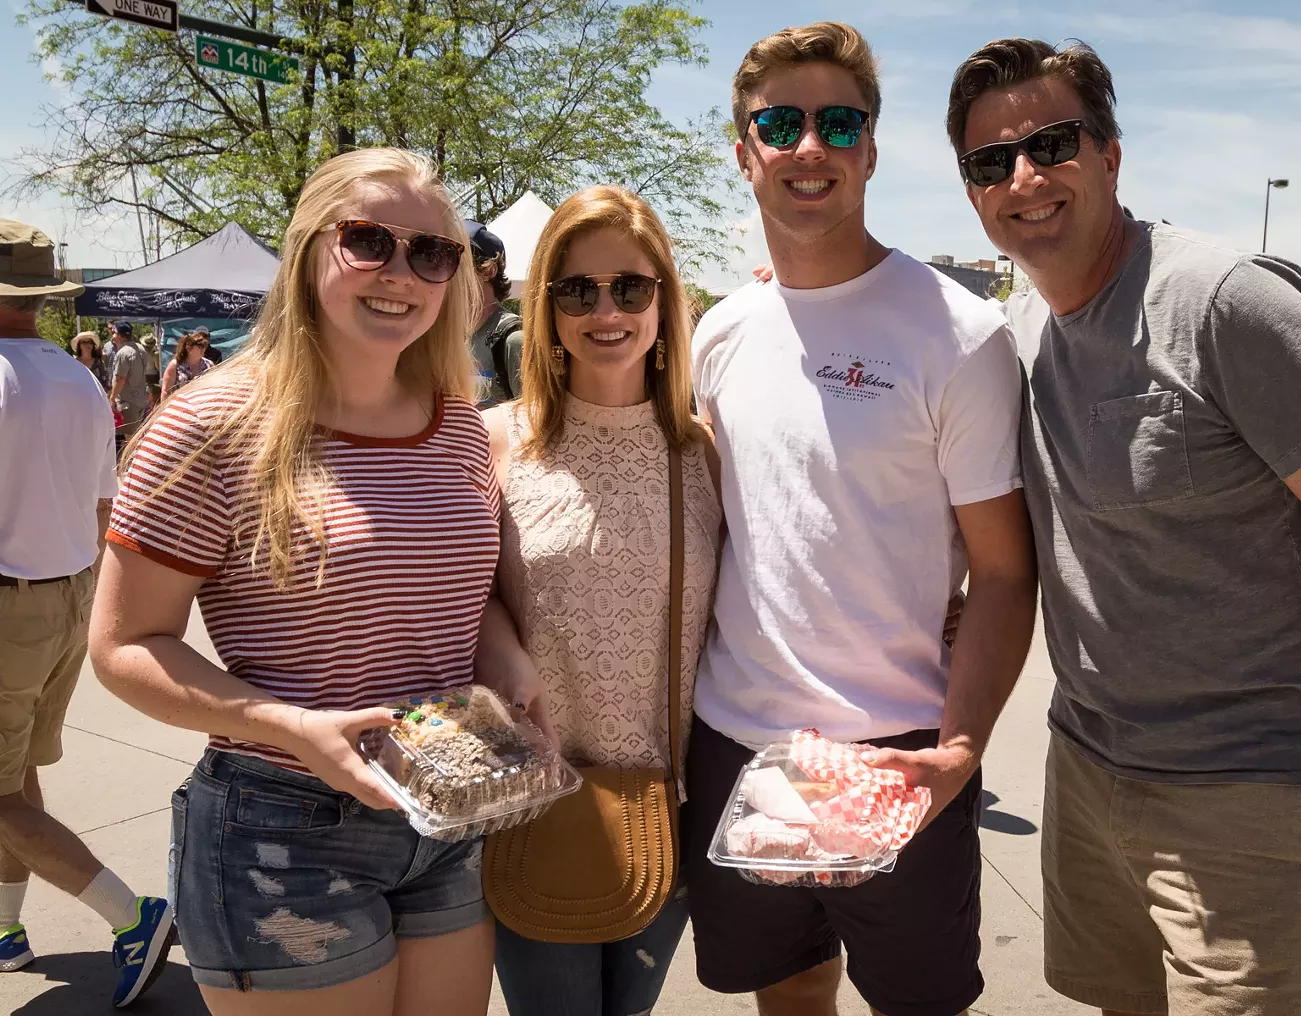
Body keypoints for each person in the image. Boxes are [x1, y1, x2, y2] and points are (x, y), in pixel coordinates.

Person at [950, 36, 1301, 1016]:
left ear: (1110, 155)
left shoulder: (1226, 302)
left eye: (1052, 142)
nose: (1024, 176)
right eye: (989, 161)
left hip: (1251, 790)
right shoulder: (1025, 328)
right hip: (1089, 767)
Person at [89, 148, 543, 1015]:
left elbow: (461, 586)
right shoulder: (212, 424)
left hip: (448, 809)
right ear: (307, 251)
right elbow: (121, 647)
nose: (401, 273)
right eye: (369, 240)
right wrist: (293, 727)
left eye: (432, 252)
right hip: (283, 826)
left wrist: (508, 660)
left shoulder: (455, 422)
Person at [683, 23, 1039, 1016]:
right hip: (739, 741)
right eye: (781, 123)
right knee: (790, 988)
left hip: (898, 748)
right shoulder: (721, 331)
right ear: (743, 148)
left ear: (871, 150)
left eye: (840, 122)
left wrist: (957, 752)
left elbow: (1006, 573)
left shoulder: (959, 333)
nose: (811, 145)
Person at [481, 185, 722, 1016]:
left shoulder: (706, 452)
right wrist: (502, 643)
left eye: (630, 287)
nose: (606, 309)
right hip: (530, 796)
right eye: (577, 290)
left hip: (670, 800)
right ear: (545, 307)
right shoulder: (498, 439)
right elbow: (455, 592)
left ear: (665, 301)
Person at [0, 219, 176, 1007]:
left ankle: (130, 914)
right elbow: (108, 501)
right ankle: (5, 927)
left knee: (2, 794)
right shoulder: (77, 380)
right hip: (67, 591)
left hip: (12, 601)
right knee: (18, 777)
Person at [465, 220, 523, 405]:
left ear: (488, 270)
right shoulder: (450, 338)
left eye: (457, 263)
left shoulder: (514, 339)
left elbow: (535, 426)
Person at [106, 321, 150, 449]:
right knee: (136, 434)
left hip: (127, 401)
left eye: (114, 332)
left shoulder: (123, 352)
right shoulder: (141, 348)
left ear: (119, 335)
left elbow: (120, 378)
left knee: (126, 438)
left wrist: (112, 398)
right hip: (140, 398)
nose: (112, 335)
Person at [159, 328, 214, 400]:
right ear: (188, 348)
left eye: (204, 346)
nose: (203, 349)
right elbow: (166, 392)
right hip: (179, 407)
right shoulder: (175, 365)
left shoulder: (209, 365)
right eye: (200, 346)